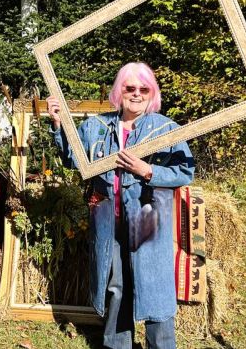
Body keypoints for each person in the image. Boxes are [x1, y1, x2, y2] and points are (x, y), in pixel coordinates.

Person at [47, 62, 195, 349]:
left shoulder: (166, 129)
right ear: (119, 91)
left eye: (144, 89)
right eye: (130, 88)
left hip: (148, 220)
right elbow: (73, 159)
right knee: (116, 287)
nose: (136, 94)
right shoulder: (96, 127)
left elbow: (184, 172)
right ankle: (117, 344)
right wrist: (58, 124)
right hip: (108, 221)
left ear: (152, 93)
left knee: (155, 288)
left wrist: (148, 171)